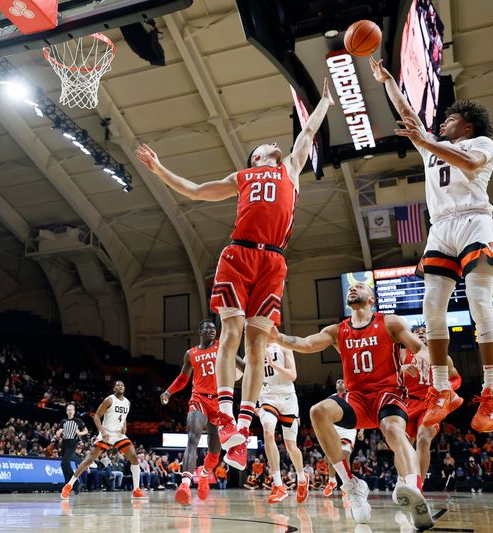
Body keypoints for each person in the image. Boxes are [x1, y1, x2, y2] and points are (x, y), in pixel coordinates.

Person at [136, 78, 335, 470]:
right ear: (255, 159)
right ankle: (225, 417)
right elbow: (192, 190)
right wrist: (159, 169)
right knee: (231, 332)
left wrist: (325, 102)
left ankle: (241, 428)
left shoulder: (292, 169)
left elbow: (308, 132)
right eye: (263, 146)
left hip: (273, 260)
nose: (271, 143)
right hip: (239, 254)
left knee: (258, 344)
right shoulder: (240, 178)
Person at [370, 56, 493, 433]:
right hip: (440, 228)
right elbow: (406, 111)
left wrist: (424, 141)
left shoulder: (482, 143)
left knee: (479, 302)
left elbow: (471, 165)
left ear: (468, 123)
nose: (443, 123)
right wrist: (386, 80)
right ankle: (443, 389)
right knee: (431, 309)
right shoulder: (430, 144)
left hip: (474, 220)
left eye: (450, 119)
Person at [272, 282, 433, 529]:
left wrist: (422, 352)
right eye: (351, 287)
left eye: (360, 286)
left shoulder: (390, 322)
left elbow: (419, 347)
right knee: (318, 411)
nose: (352, 288)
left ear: (371, 299)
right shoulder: (339, 330)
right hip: (356, 398)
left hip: (386, 394)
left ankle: (413, 489)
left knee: (394, 430)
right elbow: (306, 344)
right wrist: (279, 338)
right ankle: (351, 484)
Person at [160, 320, 226, 504]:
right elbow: (183, 378)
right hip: (199, 399)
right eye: (208, 328)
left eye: (214, 329)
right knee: (192, 438)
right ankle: (185, 485)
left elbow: (239, 364)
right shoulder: (191, 353)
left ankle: (204, 474)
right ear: (200, 331)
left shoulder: (221, 347)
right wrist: (168, 391)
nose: (212, 331)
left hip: (219, 402)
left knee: (214, 452)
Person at [60, 381, 146, 500]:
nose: (120, 386)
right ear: (114, 388)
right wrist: (103, 432)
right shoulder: (109, 400)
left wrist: (125, 426)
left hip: (118, 435)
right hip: (106, 433)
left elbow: (124, 417)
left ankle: (136, 490)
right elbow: (96, 416)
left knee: (134, 458)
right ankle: (69, 485)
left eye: (122, 385)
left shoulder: (128, 402)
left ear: (124, 388)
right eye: (118, 385)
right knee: (89, 460)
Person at [401, 324, 461, 490]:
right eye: (416, 332)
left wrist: (449, 388)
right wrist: (401, 368)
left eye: (424, 332)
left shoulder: (441, 357)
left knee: (423, 439)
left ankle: (418, 487)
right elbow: (387, 376)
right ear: (410, 336)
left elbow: (456, 378)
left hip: (430, 404)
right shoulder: (401, 354)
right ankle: (404, 480)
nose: (420, 334)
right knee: (403, 445)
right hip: (407, 403)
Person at [258, 342, 309, 504]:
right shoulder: (253, 349)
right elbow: (244, 377)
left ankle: (302, 478)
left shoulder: (284, 347)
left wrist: (273, 364)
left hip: (288, 398)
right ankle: (278, 485)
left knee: (291, 446)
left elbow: (293, 375)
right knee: (267, 433)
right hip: (267, 398)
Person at [321, 379, 360, 497]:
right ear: (335, 386)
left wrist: (362, 429)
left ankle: (347, 484)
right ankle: (332, 481)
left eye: (342, 381)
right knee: (332, 457)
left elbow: (359, 412)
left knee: (345, 455)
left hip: (348, 428)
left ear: (347, 384)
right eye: (337, 381)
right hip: (335, 428)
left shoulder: (352, 396)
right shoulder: (330, 398)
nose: (339, 382)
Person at [56, 404, 88, 490]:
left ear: (74, 411)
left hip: (72, 443)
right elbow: (60, 430)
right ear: (66, 412)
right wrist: (58, 433)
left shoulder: (78, 421)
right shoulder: (63, 421)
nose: (70, 411)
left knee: (65, 462)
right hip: (64, 443)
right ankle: (70, 485)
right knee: (64, 464)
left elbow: (86, 431)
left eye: (71, 410)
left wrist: (79, 433)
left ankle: (75, 484)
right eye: (68, 410)